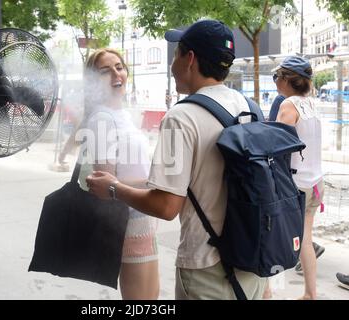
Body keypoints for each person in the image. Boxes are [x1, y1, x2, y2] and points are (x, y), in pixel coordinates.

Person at [86, 20, 267, 300]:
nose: (172, 64)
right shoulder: (250, 107)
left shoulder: (181, 117)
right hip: (252, 258)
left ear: (189, 59)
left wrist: (114, 187)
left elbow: (167, 205)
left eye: (175, 54)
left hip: (206, 267)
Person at [79, 48, 159, 300]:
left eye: (119, 66)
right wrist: (158, 181)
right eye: (105, 71)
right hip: (127, 221)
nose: (116, 73)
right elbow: (104, 186)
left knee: (150, 299)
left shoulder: (122, 114)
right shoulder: (102, 118)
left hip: (143, 214)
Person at [273, 56, 324, 300]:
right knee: (306, 240)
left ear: (286, 80)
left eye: (277, 77)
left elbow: (276, 144)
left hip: (296, 185)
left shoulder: (289, 105)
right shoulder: (311, 104)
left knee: (274, 235)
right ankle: (310, 294)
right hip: (316, 183)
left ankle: (266, 292)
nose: (275, 82)